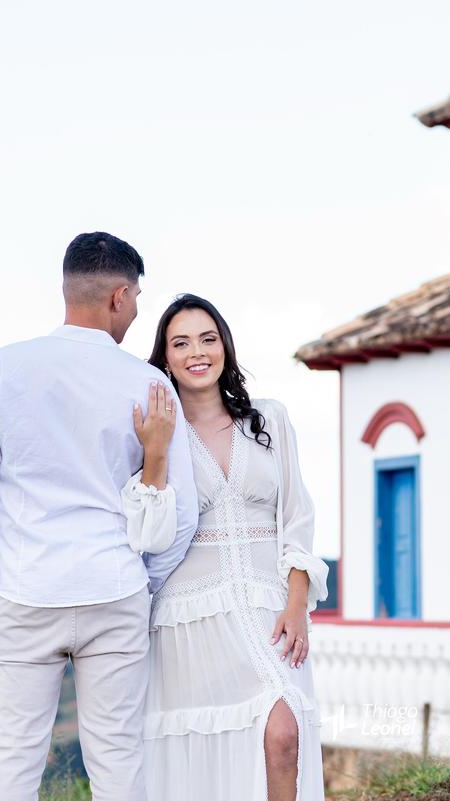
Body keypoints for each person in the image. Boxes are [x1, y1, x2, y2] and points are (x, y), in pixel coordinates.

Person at [0, 232, 199, 801]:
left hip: (28, 592)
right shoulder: (149, 383)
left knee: (11, 763)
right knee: (118, 765)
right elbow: (181, 512)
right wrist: (142, 584)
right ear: (119, 296)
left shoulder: (4, 368)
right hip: (116, 590)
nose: (135, 312)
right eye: (136, 299)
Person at [137, 293, 328, 800]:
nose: (197, 351)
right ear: (165, 358)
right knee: (203, 758)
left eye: (207, 338)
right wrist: (155, 452)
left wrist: (297, 602)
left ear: (224, 346)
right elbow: (148, 536)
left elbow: (298, 518)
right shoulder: (159, 434)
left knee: (284, 732)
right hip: (189, 620)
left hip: (269, 608)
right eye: (181, 342)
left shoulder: (269, 420)